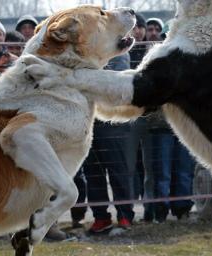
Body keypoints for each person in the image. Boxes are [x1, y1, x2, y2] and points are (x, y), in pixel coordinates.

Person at [82, 53, 138, 233]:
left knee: (118, 170)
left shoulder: (119, 49)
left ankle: (125, 215)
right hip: (88, 120)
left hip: (113, 122)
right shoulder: (85, 47)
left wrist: (89, 76)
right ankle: (101, 217)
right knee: (93, 173)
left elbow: (115, 81)